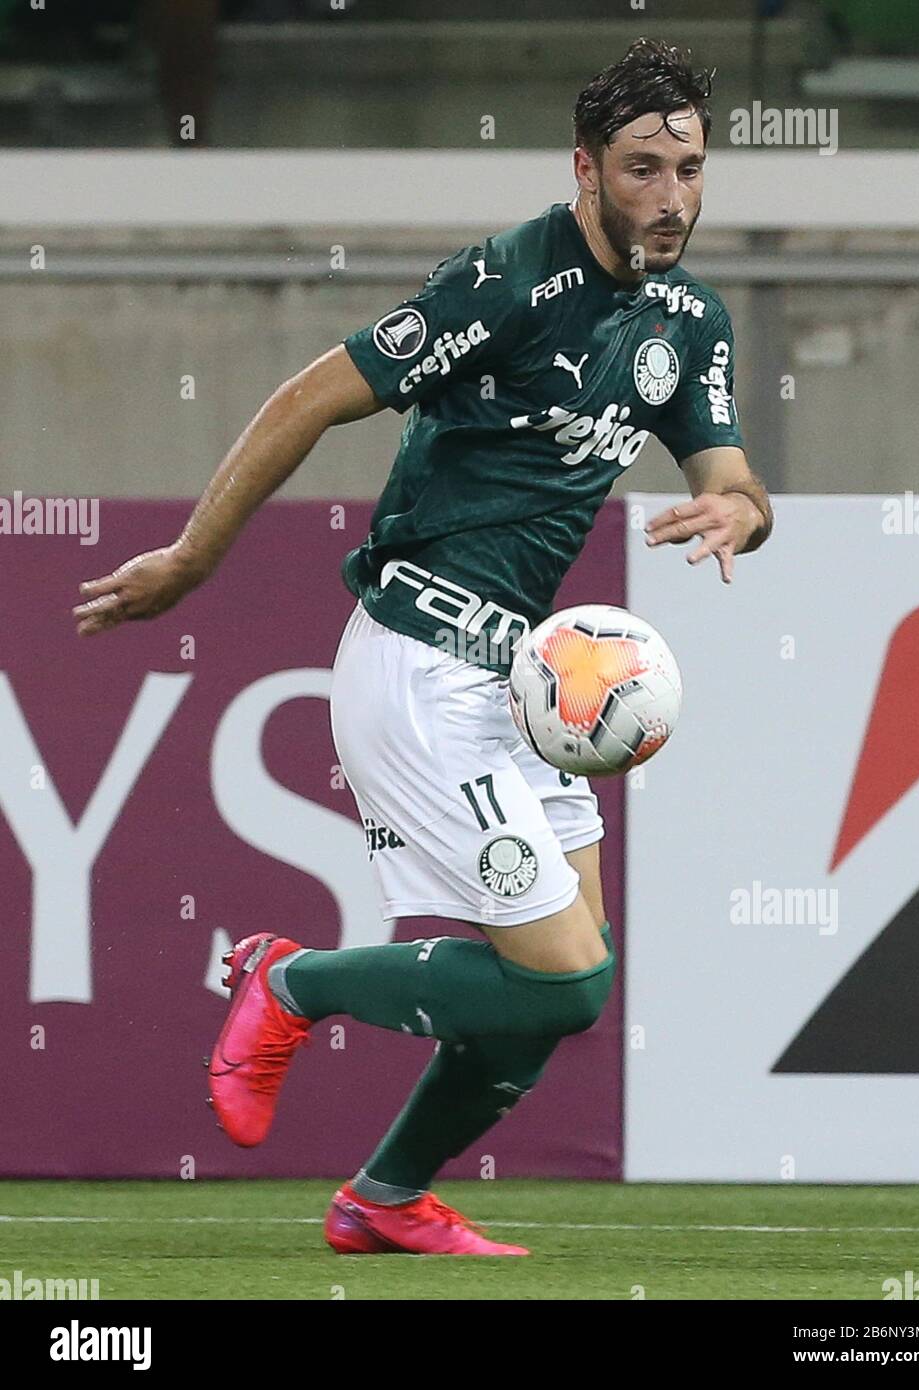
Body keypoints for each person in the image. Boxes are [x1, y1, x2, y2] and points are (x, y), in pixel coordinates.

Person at [74, 38, 773, 1256]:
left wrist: (740, 512)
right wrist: (190, 559)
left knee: (566, 988)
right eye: (643, 168)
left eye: (690, 169)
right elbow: (312, 395)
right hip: (422, 656)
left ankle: (382, 1200)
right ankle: (286, 980)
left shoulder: (687, 319)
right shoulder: (505, 281)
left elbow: (732, 475)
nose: (670, 196)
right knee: (563, 981)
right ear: (585, 168)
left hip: (526, 681)